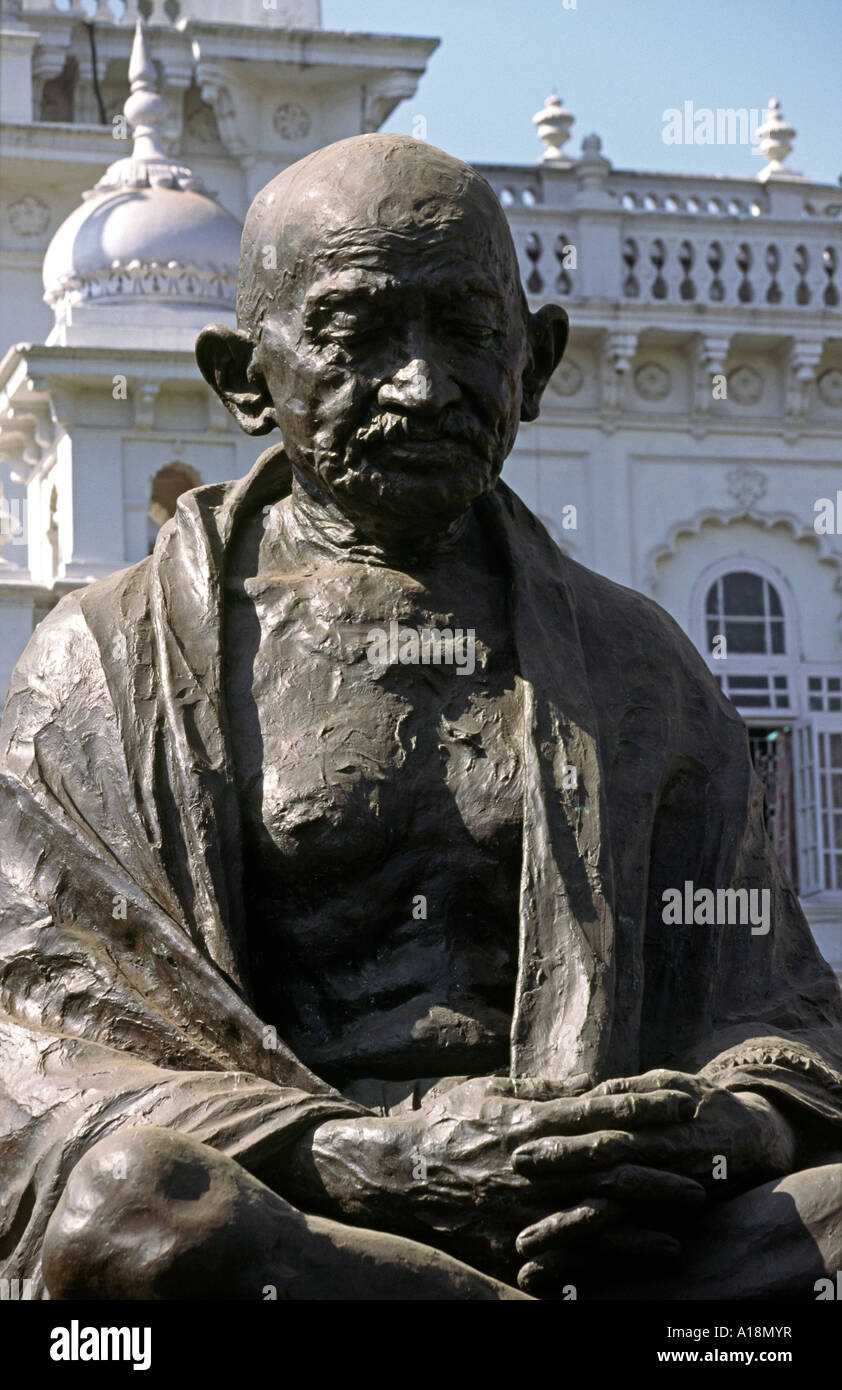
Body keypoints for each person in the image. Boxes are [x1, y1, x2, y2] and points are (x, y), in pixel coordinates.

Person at [1, 135, 840, 1301]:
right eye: (355, 333)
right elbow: (34, 1040)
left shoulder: (634, 662)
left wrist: (705, 1133)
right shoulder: (108, 661)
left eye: (464, 330)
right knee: (136, 1210)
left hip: (598, 1212)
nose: (420, 384)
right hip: (304, 1212)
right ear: (245, 377)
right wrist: (360, 1158)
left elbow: (776, 1013)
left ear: (533, 362)